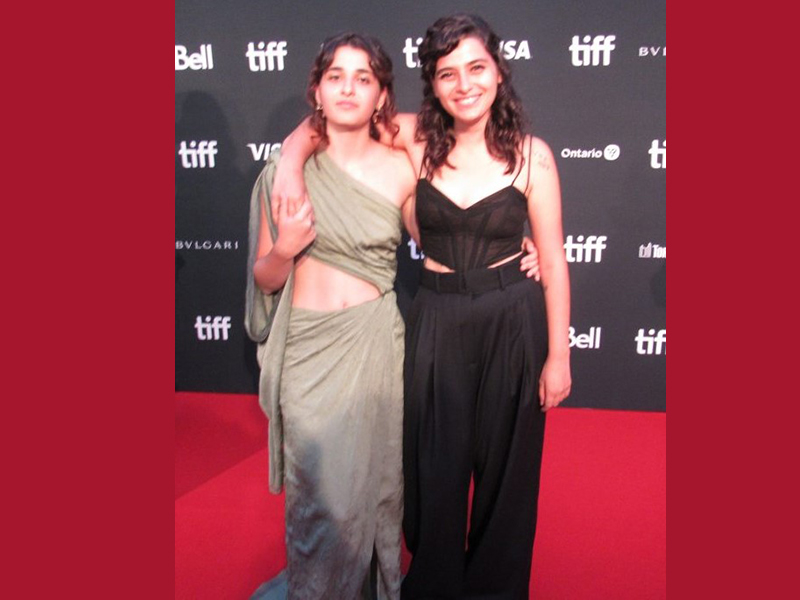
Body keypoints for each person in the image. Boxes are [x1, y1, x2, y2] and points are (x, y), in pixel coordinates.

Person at [275, 14, 571, 599]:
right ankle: (435, 586)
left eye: (476, 68)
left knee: (508, 476)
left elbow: (555, 259)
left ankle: (495, 591)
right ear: (432, 84)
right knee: (434, 470)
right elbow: (325, 122)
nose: (464, 84)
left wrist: (558, 356)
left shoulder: (532, 156)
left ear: (498, 71)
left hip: (512, 319)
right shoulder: (415, 138)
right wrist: (287, 161)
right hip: (436, 319)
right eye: (447, 73)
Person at [244, 32, 417, 600]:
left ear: (381, 94)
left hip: (374, 349)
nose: (348, 88)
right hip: (309, 355)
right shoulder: (284, 173)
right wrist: (284, 248)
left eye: (363, 78)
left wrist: (513, 248)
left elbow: (444, 247)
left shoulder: (402, 169)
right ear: (316, 91)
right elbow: (265, 278)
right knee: (320, 499)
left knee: (371, 489)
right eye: (335, 76)